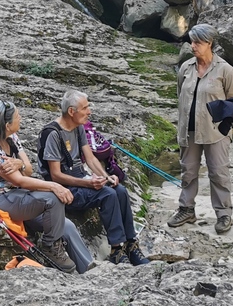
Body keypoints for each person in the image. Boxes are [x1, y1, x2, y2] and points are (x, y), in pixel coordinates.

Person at [37, 91, 149, 266]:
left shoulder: (78, 127)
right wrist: (88, 182)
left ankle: (131, 243)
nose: (89, 111)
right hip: (66, 187)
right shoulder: (52, 134)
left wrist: (107, 177)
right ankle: (116, 250)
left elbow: (90, 158)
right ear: (72, 111)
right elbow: (55, 175)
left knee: (119, 190)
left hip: (81, 178)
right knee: (107, 195)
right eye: (85, 108)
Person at [0, 100, 79, 273]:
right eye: (17, 116)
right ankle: (50, 247)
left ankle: (87, 267)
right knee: (53, 198)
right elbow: (20, 181)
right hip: (0, 198)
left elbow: (29, 170)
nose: (21, 118)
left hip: (17, 194)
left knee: (67, 226)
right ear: (7, 124)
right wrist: (54, 186)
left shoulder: (12, 137)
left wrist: (19, 164)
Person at [168, 23, 233, 234]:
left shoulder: (225, 70)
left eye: (198, 42)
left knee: (218, 172)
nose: (193, 46)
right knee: (188, 171)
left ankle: (224, 213)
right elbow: (180, 94)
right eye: (192, 41)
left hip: (216, 131)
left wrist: (229, 127)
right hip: (188, 131)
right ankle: (186, 209)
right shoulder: (186, 68)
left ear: (209, 43)